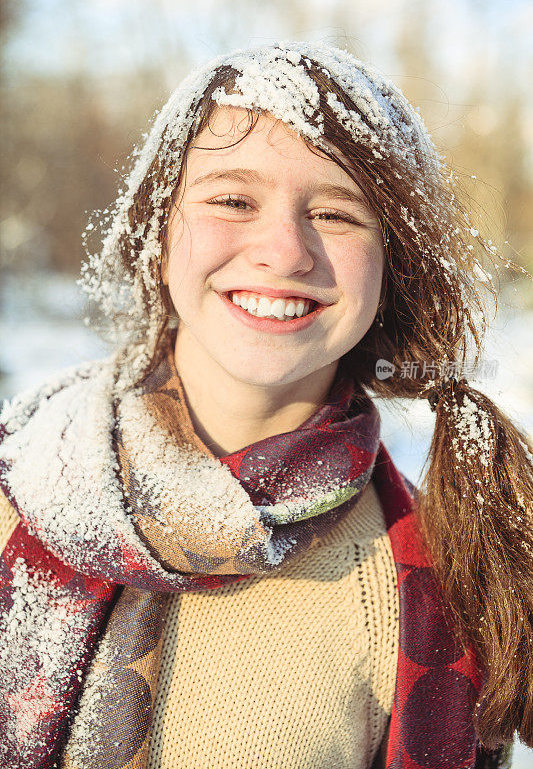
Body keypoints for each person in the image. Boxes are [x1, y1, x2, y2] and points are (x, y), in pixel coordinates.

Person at [0, 42, 531, 769]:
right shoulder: (15, 475)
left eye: (337, 214)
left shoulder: (431, 585)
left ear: (390, 265)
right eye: (231, 200)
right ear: (159, 231)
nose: (283, 252)